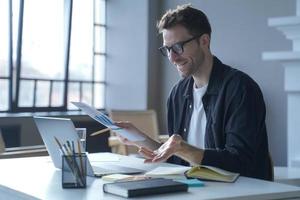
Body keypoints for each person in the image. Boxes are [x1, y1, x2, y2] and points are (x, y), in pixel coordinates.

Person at [115, 4, 272, 181]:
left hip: (238, 193)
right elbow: (177, 158)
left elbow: (240, 162)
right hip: (194, 189)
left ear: (204, 41)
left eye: (178, 47)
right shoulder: (177, 94)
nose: (172, 58)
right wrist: (139, 138)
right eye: (167, 49)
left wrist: (182, 148)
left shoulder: (241, 88)